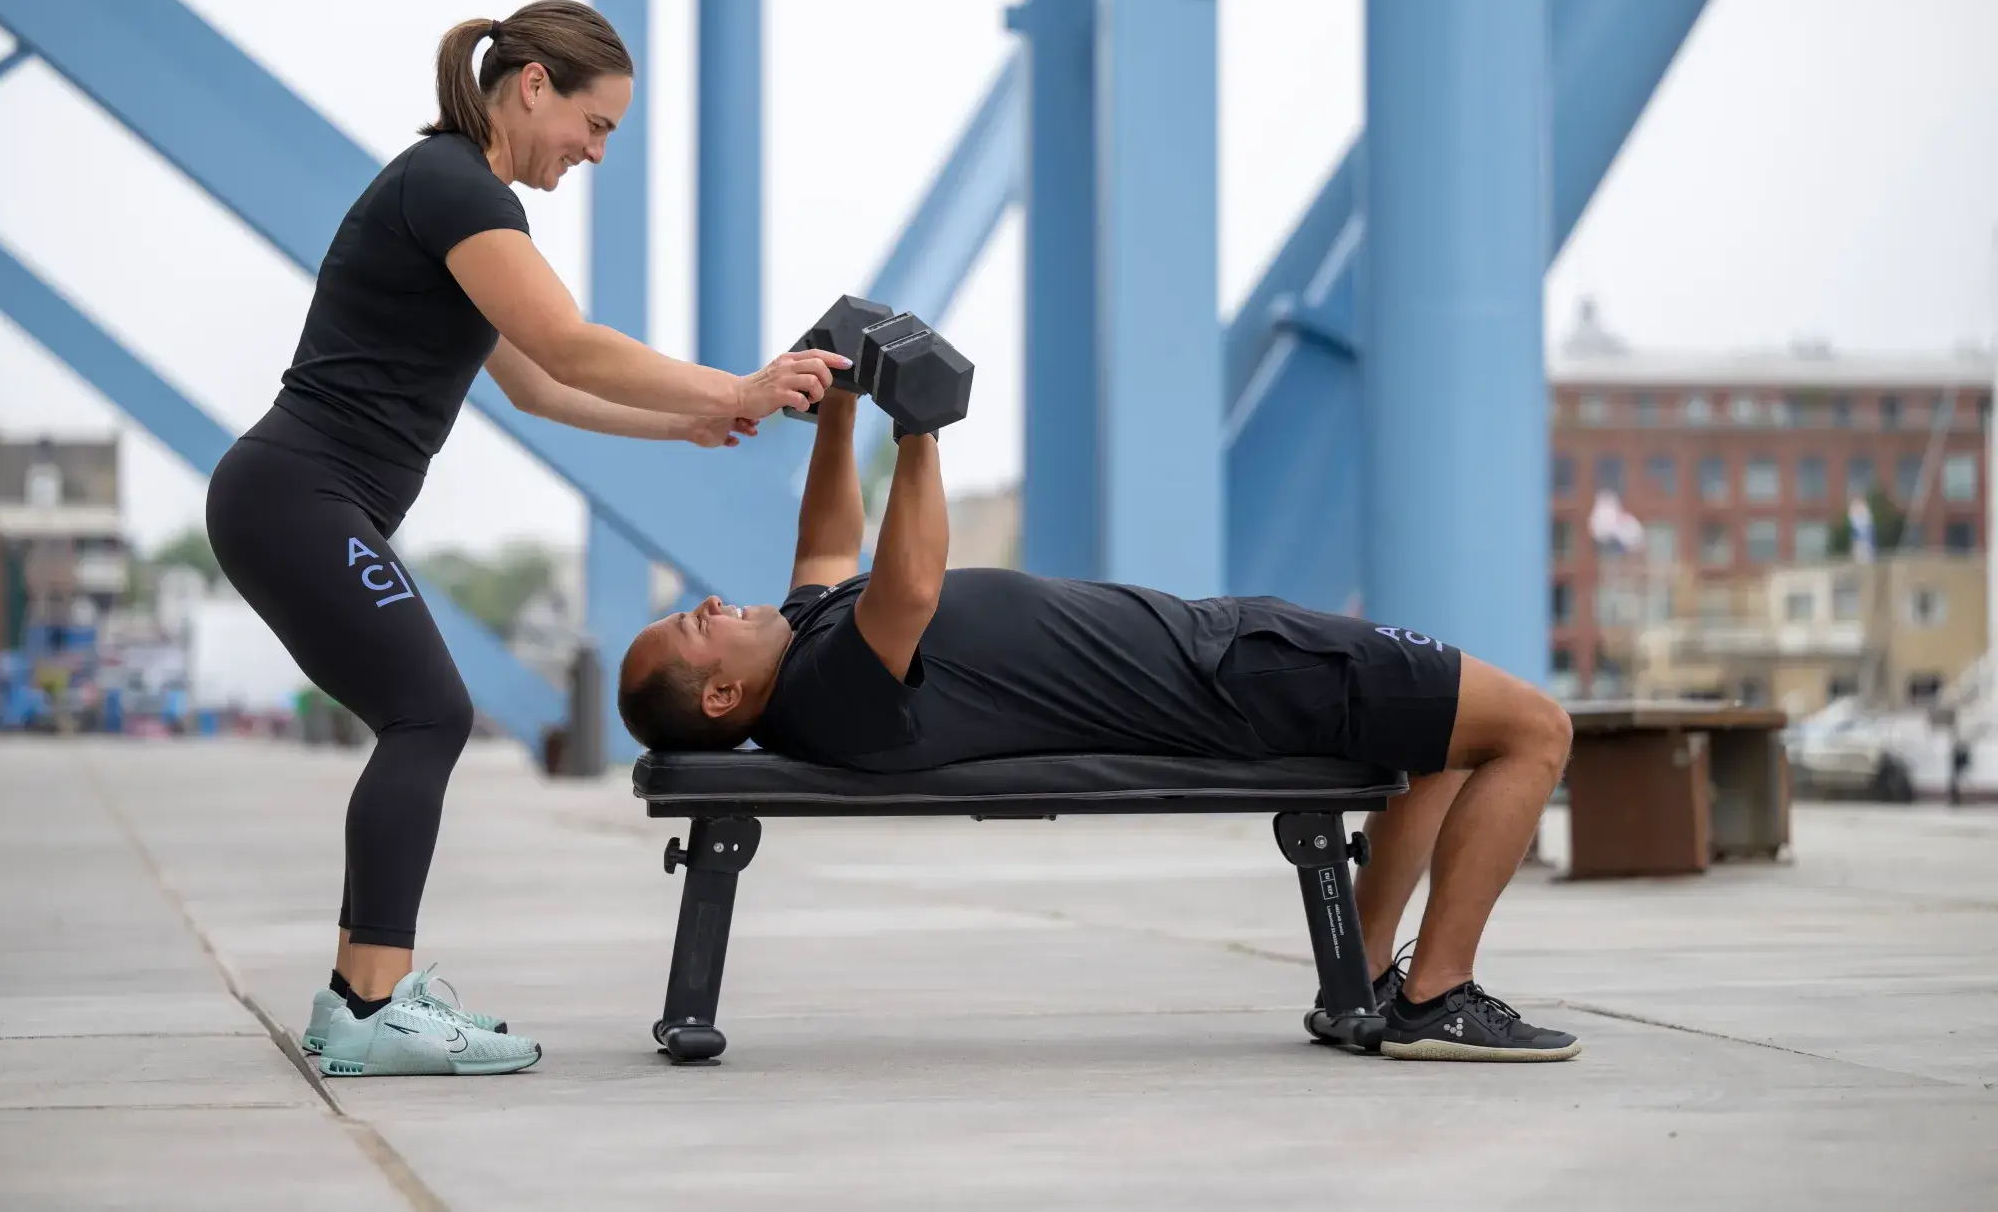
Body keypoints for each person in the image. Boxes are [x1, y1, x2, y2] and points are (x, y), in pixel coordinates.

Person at [206, 0, 847, 1078]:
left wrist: (687, 420)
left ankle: (357, 1000)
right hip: (297, 495)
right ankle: (370, 1005)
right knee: (430, 714)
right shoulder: (456, 186)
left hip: (303, 501)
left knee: (422, 717)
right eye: (595, 127)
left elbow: (537, 384)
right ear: (535, 84)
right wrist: (735, 383)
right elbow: (569, 341)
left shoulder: (460, 201)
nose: (595, 153)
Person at [617, 370, 1582, 1062]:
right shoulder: (829, 690)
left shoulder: (802, 642)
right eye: (687, 632)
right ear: (718, 697)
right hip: (1236, 673)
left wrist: (837, 402)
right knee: (1535, 727)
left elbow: (830, 542)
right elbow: (908, 583)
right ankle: (1438, 996)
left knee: (1441, 742)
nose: (701, 606)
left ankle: (1364, 984)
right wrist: (919, 431)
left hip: (1227, 654)